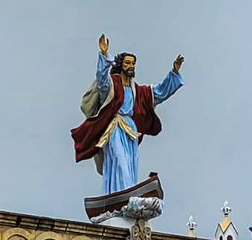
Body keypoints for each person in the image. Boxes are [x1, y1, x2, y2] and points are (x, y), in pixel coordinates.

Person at [71, 35, 184, 195]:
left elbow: (159, 92)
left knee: (131, 163)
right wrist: (104, 56)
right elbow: (102, 81)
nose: (131, 66)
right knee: (118, 160)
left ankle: (128, 192)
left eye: (133, 63)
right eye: (128, 63)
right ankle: (120, 193)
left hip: (131, 130)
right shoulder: (112, 84)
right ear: (121, 65)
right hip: (115, 128)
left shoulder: (138, 90)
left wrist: (173, 72)